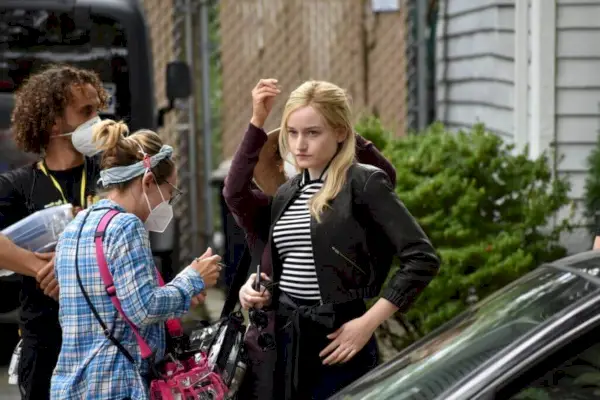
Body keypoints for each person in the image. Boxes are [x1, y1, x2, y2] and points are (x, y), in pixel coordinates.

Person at [224, 78, 438, 400]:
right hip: (281, 343)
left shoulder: (363, 182)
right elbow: (240, 201)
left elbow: (422, 257)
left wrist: (366, 324)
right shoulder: (286, 193)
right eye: (292, 133)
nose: (300, 145)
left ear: (340, 132)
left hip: (338, 340)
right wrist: (254, 288)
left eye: (313, 132)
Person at [50, 119, 222, 400]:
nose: (169, 202)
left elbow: (110, 304)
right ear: (149, 181)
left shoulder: (75, 227)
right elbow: (142, 309)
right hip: (117, 383)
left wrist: (179, 288)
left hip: (72, 384)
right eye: (170, 192)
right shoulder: (126, 226)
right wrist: (193, 280)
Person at [0, 65, 109, 400]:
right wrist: (39, 267)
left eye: (98, 109)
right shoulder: (18, 184)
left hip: (106, 338)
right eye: (86, 112)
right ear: (53, 122)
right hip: (46, 340)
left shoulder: (112, 174)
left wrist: (71, 271)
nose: (98, 121)